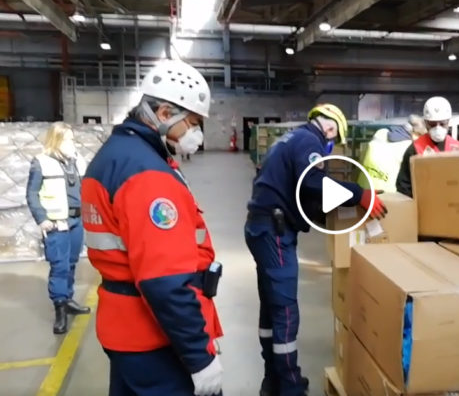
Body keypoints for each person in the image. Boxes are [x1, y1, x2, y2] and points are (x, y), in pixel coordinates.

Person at [81, 59, 223, 396]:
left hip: (125, 329)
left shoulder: (116, 154)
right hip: (154, 337)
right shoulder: (147, 175)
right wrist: (198, 356)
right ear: (164, 113)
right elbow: (165, 281)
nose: (197, 134)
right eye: (193, 123)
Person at [245, 103, 387, 396]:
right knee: (285, 310)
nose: (330, 147)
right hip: (275, 232)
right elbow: (312, 181)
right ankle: (290, 386)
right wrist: (359, 194)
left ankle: (272, 379)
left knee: (271, 307)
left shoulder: (289, 139)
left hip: (261, 228)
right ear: (331, 128)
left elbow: (299, 193)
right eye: (334, 141)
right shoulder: (309, 141)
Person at [26, 122, 91, 334]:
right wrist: (41, 219)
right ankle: (60, 308)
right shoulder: (41, 162)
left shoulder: (77, 161)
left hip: (76, 221)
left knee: (71, 263)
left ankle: (68, 299)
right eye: (68, 139)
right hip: (56, 223)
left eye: (72, 139)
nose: (72, 143)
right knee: (59, 266)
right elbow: (32, 193)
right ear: (56, 140)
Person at [396, 96, 459, 197]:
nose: (438, 128)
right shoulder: (415, 149)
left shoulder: (456, 147)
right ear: (426, 123)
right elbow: (403, 186)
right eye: (432, 124)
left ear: (448, 122)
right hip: (424, 202)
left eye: (442, 124)